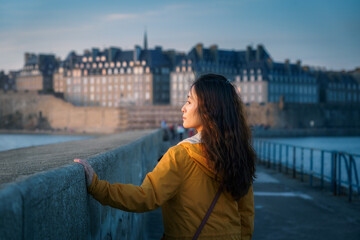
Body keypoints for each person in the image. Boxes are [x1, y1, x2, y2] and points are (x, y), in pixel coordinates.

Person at [75, 73, 256, 239]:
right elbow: (246, 214)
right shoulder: (240, 153)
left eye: (189, 102)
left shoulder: (181, 155)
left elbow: (145, 197)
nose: (183, 108)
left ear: (208, 110)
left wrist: (97, 186)